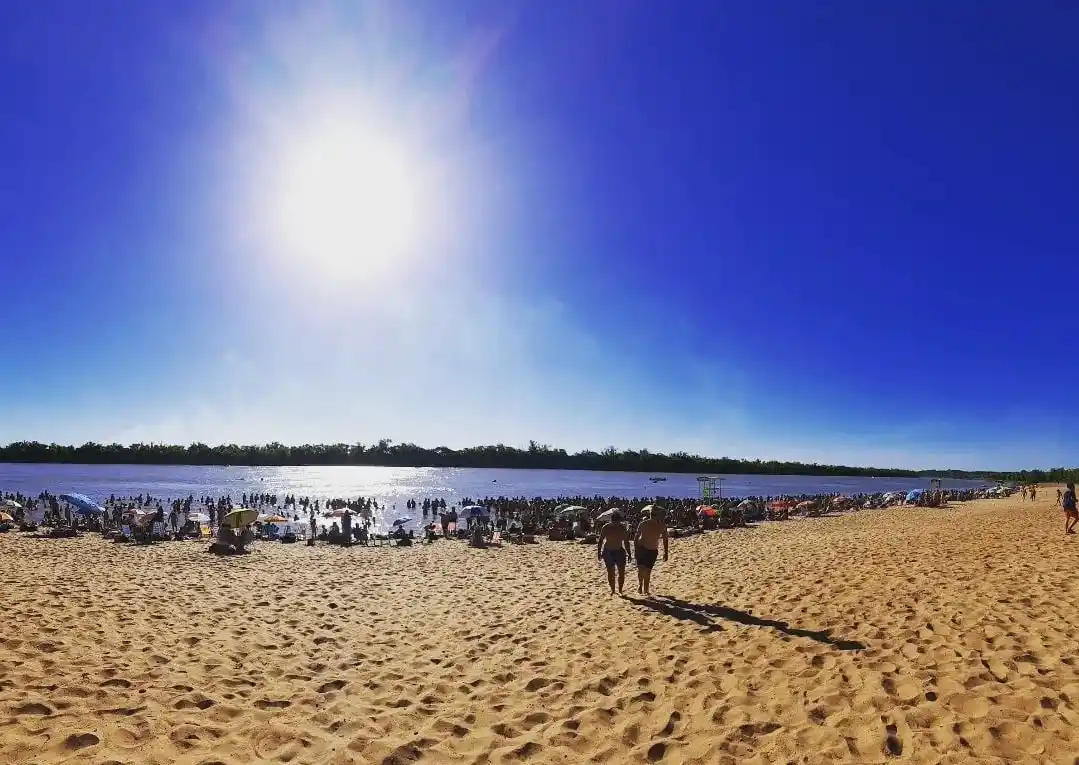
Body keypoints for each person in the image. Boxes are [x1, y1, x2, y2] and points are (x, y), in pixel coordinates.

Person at [634, 505, 670, 596]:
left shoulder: (644, 524)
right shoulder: (660, 525)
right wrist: (666, 552)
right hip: (650, 549)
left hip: (644, 548)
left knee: (642, 569)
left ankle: (641, 586)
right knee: (646, 570)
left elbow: (636, 537)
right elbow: (665, 539)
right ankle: (644, 588)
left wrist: (636, 549)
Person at [597, 511, 633, 595]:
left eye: (617, 521)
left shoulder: (622, 528)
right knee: (610, 572)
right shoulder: (606, 527)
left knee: (621, 572)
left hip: (619, 551)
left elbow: (626, 542)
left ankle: (620, 590)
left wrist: (629, 553)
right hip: (608, 551)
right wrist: (599, 552)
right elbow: (600, 540)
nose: (616, 523)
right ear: (612, 520)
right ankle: (613, 590)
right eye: (615, 521)